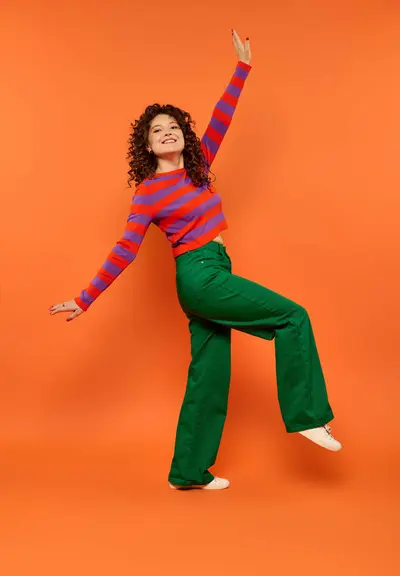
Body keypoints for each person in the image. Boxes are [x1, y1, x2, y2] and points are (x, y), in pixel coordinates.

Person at [49, 30, 342, 491]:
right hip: (199, 275)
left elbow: (224, 117)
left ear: (183, 137)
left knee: (209, 374)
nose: (166, 133)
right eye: (156, 131)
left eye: (172, 127)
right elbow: (125, 250)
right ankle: (307, 415)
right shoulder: (148, 193)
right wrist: (84, 299)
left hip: (211, 275)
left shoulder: (199, 165)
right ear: (147, 146)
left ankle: (188, 472)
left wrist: (241, 69)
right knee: (292, 318)